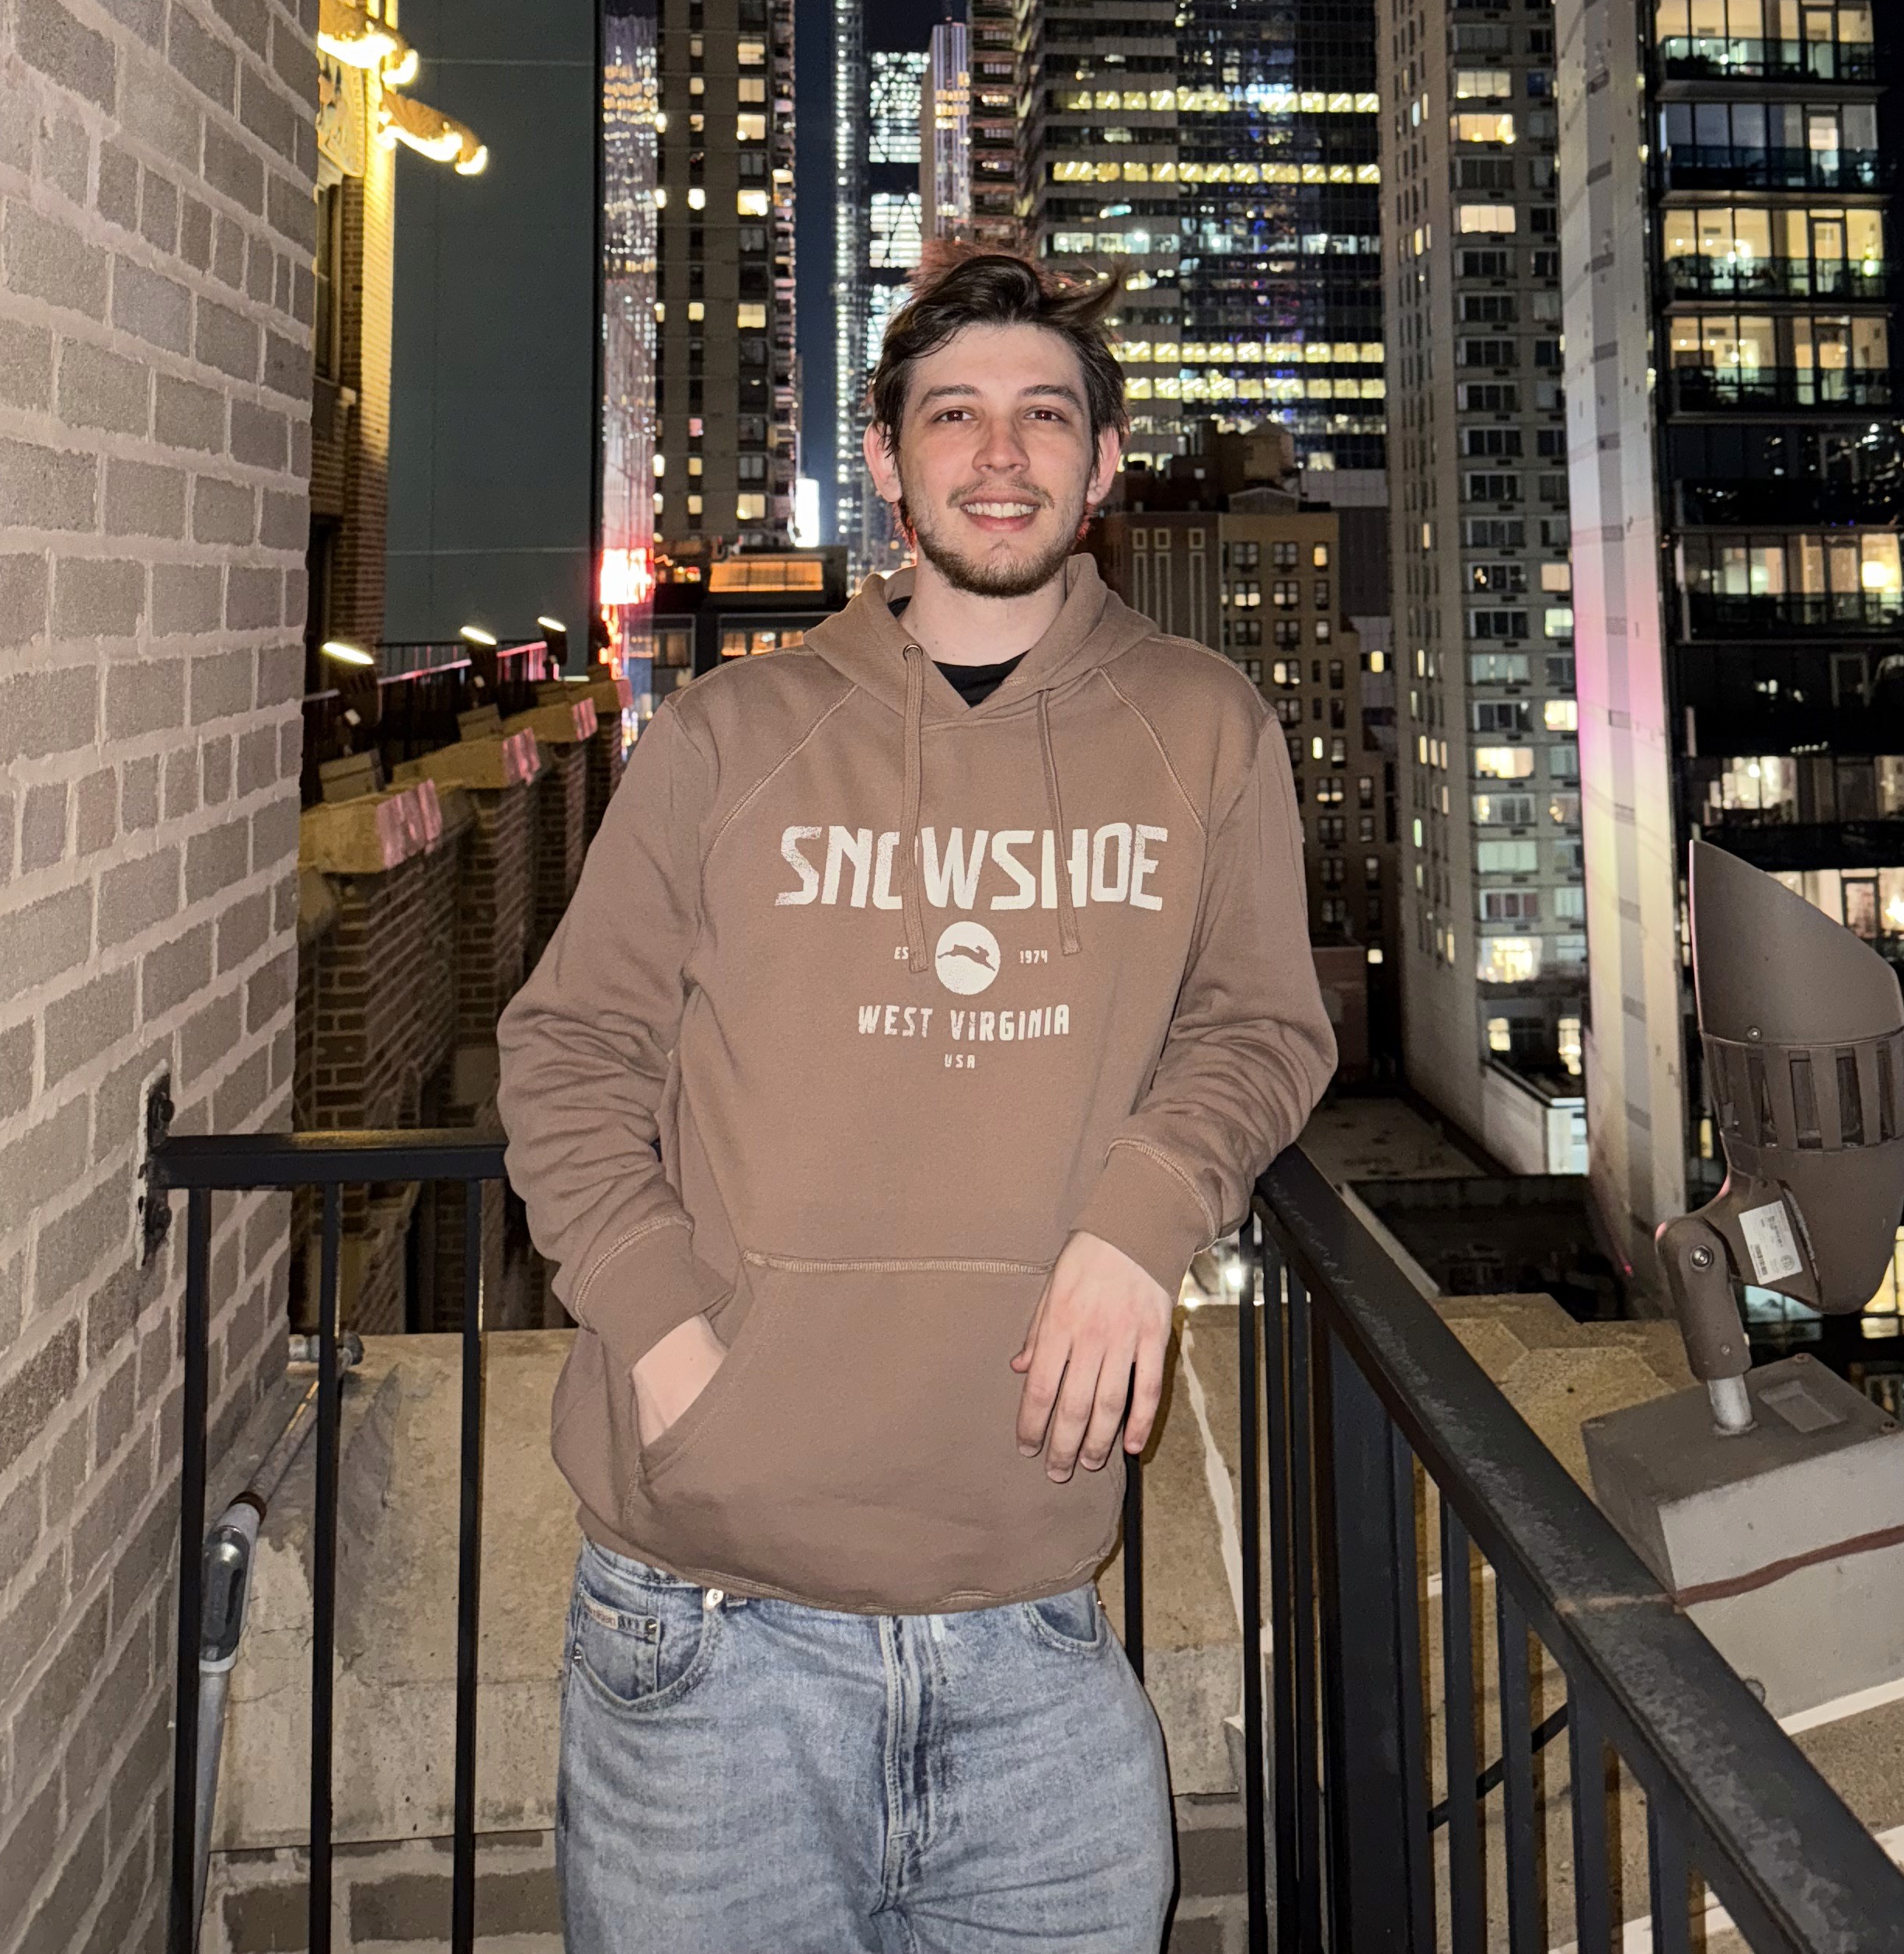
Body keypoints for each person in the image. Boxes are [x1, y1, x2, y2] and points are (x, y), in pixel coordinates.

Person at [498, 249, 1335, 1953]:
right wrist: (671, 1341)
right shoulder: (733, 734)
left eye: (1046, 417)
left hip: (1032, 1627)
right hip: (702, 1626)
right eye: (954, 416)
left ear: (1105, 464)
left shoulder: (1204, 725)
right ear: (887, 459)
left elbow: (1262, 1022)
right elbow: (568, 1055)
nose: (1000, 454)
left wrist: (1141, 1215)